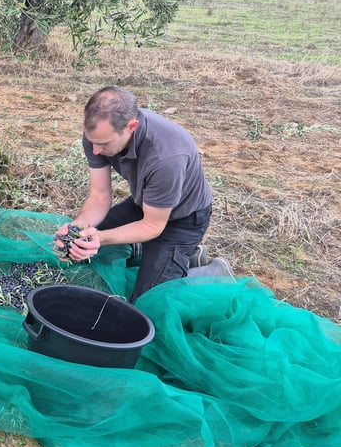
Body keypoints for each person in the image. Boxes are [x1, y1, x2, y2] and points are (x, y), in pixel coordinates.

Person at [54, 85, 233, 302]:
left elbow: (152, 225)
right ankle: (155, 253)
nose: (96, 151)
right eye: (93, 142)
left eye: (103, 144)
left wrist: (100, 238)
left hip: (182, 220)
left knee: (148, 301)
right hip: (144, 205)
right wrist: (77, 228)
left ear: (132, 127)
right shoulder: (97, 135)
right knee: (82, 250)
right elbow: (99, 196)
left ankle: (209, 274)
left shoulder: (167, 158)